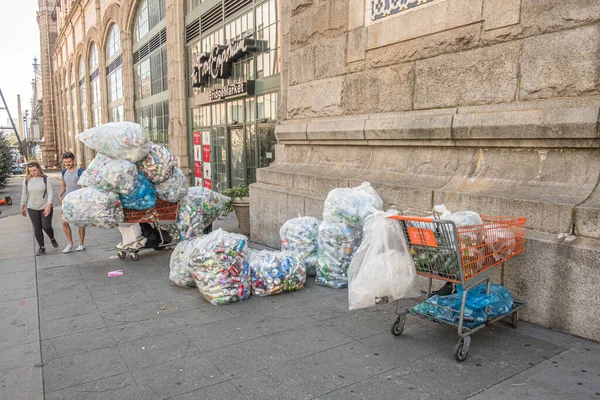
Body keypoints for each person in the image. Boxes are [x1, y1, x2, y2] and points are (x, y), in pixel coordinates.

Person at [20, 161, 58, 256]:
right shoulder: (26, 181)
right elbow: (24, 194)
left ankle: (52, 238)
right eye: (31, 171)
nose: (33, 173)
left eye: (35, 170)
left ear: (39, 169)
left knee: (46, 226)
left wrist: (48, 206)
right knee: (37, 228)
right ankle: (42, 247)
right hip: (32, 207)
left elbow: (50, 194)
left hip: (45, 206)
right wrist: (22, 206)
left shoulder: (46, 179)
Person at [58, 152, 86, 253]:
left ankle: (81, 244)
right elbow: (64, 185)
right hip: (68, 201)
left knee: (80, 222)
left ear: (73, 160)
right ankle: (69, 243)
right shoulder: (64, 172)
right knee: (64, 222)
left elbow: (83, 187)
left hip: (78, 201)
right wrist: (60, 194)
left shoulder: (80, 172)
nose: (67, 164)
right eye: (65, 162)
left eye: (69, 161)